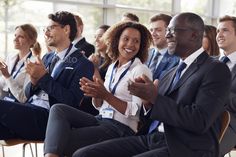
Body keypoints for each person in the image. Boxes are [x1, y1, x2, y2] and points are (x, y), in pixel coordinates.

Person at [72, 12, 231, 157]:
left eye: (172, 30)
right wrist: (148, 103)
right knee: (84, 154)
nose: (167, 36)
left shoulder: (215, 69)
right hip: (153, 138)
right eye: (167, 30)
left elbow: (199, 121)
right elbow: (153, 112)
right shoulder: (171, 73)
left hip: (185, 147)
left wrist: (154, 97)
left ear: (194, 35)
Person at [43, 21, 153, 157]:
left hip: (121, 128)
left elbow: (136, 113)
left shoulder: (140, 70)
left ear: (141, 46)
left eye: (136, 41)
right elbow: (100, 106)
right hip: (102, 120)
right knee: (58, 110)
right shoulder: (113, 67)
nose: (130, 44)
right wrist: (95, 93)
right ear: (116, 40)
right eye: (126, 39)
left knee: (59, 141)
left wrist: (106, 95)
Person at [0, 11, 94, 141]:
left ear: (66, 29)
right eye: (45, 29)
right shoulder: (48, 57)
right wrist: (33, 81)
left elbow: (72, 102)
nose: (45, 33)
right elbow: (27, 95)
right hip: (30, 110)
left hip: (50, 119)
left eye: (50, 28)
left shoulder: (83, 64)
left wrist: (43, 78)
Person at [0, 24, 40, 103]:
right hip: (4, 101)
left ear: (31, 41)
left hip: (18, 106)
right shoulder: (10, 57)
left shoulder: (34, 63)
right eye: (15, 35)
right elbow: (3, 85)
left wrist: (7, 76)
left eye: (21, 37)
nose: (15, 39)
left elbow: (23, 98)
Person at [216, 15, 236, 157]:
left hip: (231, 122)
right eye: (217, 31)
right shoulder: (210, 63)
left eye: (225, 30)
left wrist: (215, 94)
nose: (219, 35)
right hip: (201, 119)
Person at [145, 13, 179, 79]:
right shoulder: (145, 54)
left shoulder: (178, 58)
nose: (153, 34)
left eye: (158, 30)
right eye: (151, 30)